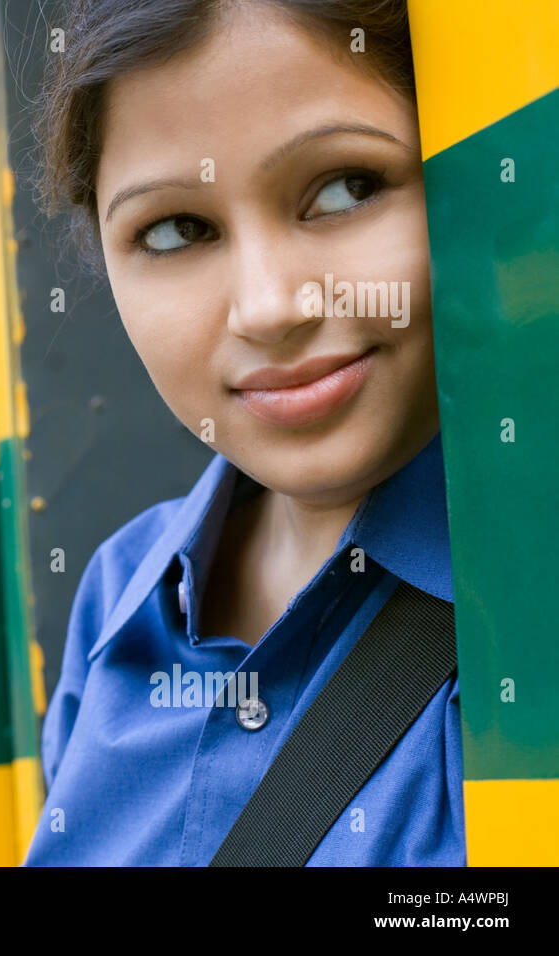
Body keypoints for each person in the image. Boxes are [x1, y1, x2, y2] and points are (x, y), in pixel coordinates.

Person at [23, 0, 463, 865]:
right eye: (178, 231)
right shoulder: (118, 596)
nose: (270, 308)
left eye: (345, 189)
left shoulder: (527, 601)